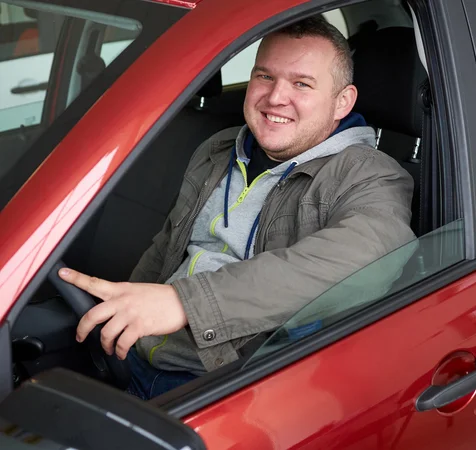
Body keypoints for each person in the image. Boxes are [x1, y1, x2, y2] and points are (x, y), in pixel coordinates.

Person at [58, 16, 415, 399]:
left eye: (301, 84)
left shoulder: (370, 175)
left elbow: (371, 257)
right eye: (264, 77)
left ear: (342, 101)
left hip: (226, 386)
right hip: (138, 357)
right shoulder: (218, 149)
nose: (276, 97)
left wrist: (186, 303)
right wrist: (123, 312)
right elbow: (167, 249)